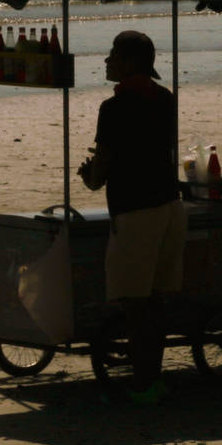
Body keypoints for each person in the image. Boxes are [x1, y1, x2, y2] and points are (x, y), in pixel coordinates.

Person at [78, 30, 184, 403]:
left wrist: (89, 176)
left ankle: (145, 383)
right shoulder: (166, 99)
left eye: (112, 55)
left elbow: (102, 170)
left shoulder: (114, 108)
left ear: (128, 62)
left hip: (136, 211)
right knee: (155, 301)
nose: (107, 61)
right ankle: (154, 378)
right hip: (170, 206)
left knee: (136, 305)